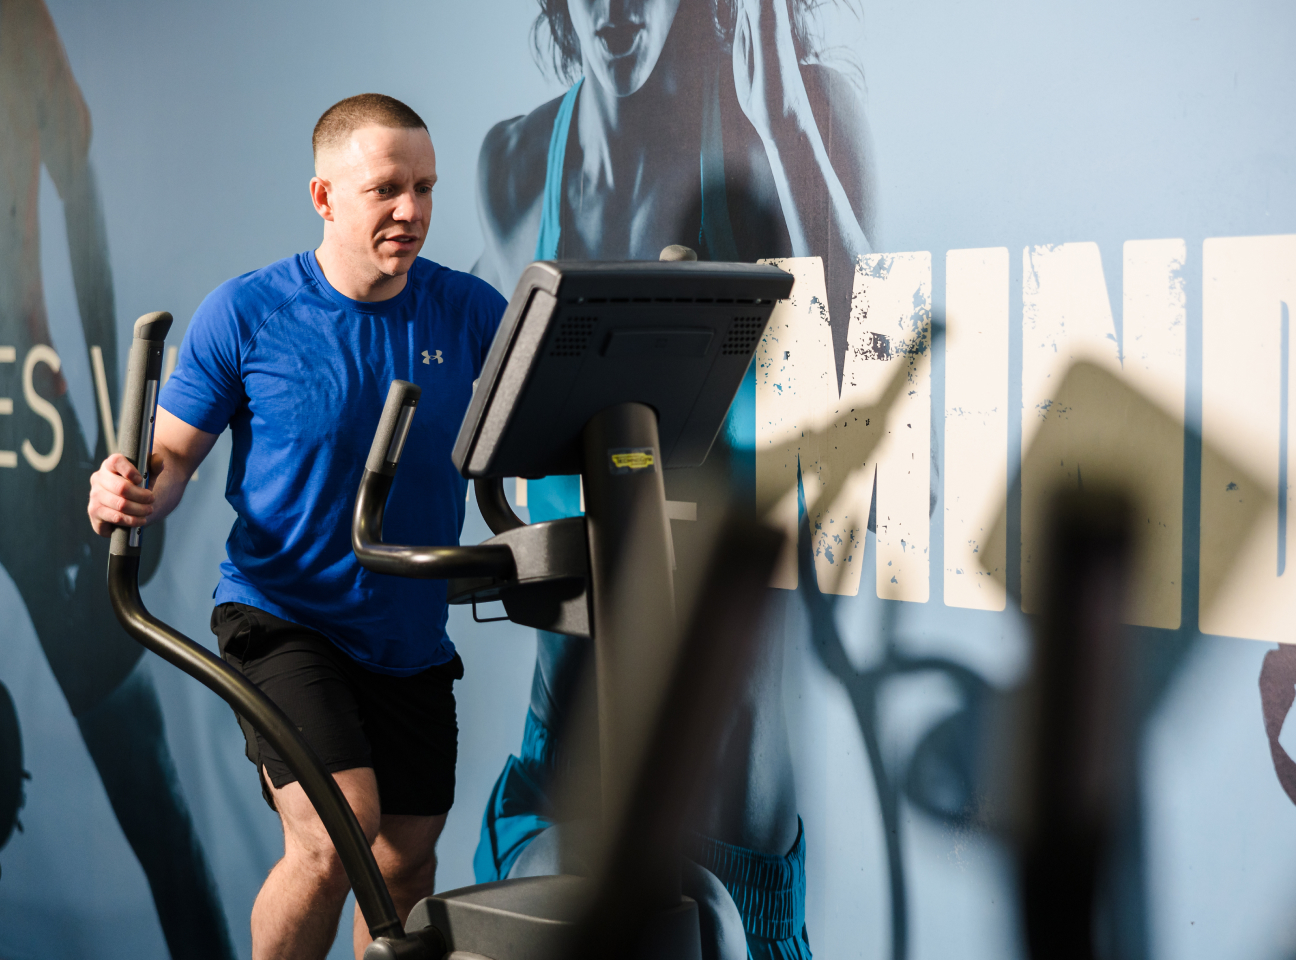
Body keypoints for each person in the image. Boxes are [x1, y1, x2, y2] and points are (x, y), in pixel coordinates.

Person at [470, 2, 875, 958]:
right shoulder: (517, 163)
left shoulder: (796, 116)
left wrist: (782, 126)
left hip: (733, 793)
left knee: (714, 933)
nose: (614, 10)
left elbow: (869, 369)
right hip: (567, 773)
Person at [87, 93, 507, 960]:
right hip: (284, 617)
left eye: (425, 188)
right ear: (323, 197)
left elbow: (541, 433)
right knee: (331, 837)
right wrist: (127, 489)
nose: (412, 211)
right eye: (387, 188)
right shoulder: (248, 313)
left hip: (408, 634)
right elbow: (166, 464)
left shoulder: (469, 312)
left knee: (403, 862)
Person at [1, 1, 234, 955]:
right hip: (41, 434)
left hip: (35, 450)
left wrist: (118, 434)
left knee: (151, 797)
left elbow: (81, 193)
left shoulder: (16, 25)